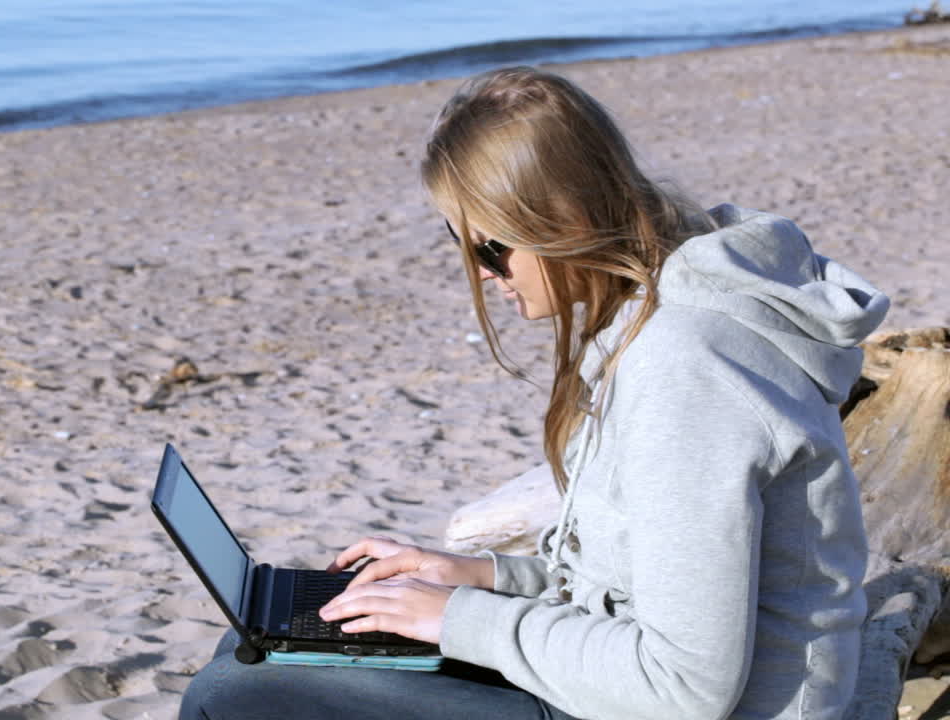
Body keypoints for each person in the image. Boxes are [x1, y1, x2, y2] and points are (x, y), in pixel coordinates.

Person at [179, 66, 888, 720]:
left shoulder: (686, 369)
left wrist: (454, 618)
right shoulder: (649, 317)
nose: (483, 272)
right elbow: (629, 587)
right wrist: (479, 576)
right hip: (644, 688)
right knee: (258, 648)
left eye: (491, 248)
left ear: (564, 219)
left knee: (231, 694)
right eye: (463, 247)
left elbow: (685, 686)